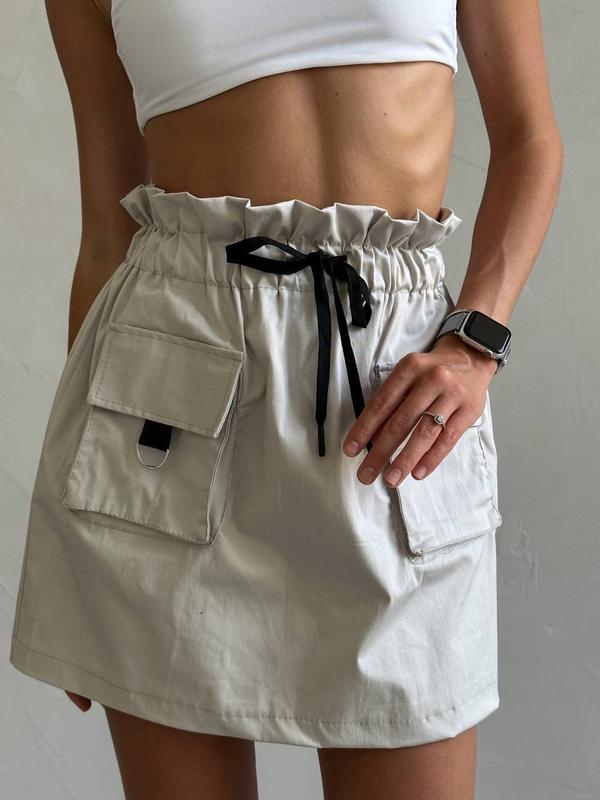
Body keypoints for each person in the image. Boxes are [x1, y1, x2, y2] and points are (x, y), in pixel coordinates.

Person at [10, 0, 562, 797]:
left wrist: (476, 340)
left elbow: (530, 139)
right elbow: (107, 233)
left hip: (389, 397)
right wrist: (80, 524)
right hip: (168, 401)